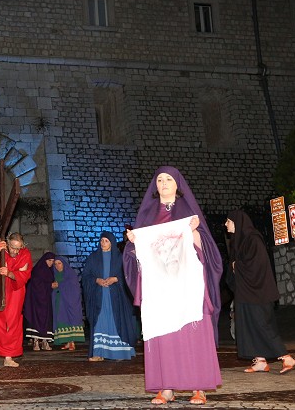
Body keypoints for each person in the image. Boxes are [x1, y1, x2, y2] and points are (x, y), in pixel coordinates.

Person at [123, 166, 222, 405]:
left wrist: (193, 233)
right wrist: (133, 243)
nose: (164, 183)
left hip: (187, 285)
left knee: (193, 334)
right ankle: (166, 388)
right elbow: (135, 253)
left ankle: (199, 387)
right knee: (164, 335)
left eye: (168, 179)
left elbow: (206, 247)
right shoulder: (147, 215)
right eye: (160, 180)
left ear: (178, 184)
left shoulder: (189, 212)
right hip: (160, 288)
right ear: (155, 186)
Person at [225, 209, 295, 374]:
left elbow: (257, 265)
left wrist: (238, 266)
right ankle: (260, 361)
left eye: (228, 221)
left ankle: (287, 358)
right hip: (245, 292)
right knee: (249, 326)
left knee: (263, 325)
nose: (225, 224)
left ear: (237, 222)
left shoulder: (253, 239)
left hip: (258, 292)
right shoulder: (238, 241)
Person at [0, 232, 32, 369]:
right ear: (8, 243)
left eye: (18, 248)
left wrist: (9, 273)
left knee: (12, 323)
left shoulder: (25, 253)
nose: (15, 251)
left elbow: (24, 274)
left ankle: (8, 357)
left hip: (15, 292)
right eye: (13, 247)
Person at [83, 231, 137, 362]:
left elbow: (129, 274)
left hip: (116, 297)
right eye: (101, 241)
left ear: (112, 243)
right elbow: (86, 276)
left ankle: (120, 352)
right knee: (100, 322)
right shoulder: (93, 258)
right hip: (99, 297)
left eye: (106, 241)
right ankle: (98, 353)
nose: (103, 243)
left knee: (115, 321)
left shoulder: (120, 258)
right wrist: (97, 280)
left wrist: (116, 279)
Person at [51, 255, 85, 351]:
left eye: (59, 263)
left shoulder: (70, 274)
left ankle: (72, 342)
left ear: (64, 264)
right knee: (61, 320)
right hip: (59, 302)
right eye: (55, 264)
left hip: (69, 302)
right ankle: (67, 342)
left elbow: (74, 287)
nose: (57, 266)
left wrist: (59, 285)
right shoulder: (54, 274)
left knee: (70, 319)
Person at [23, 252, 55, 351]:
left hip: (46, 300)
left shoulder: (50, 271)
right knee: (36, 319)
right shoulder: (37, 270)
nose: (51, 263)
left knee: (46, 319)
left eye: (52, 261)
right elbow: (35, 284)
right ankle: (36, 341)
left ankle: (45, 342)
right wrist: (49, 285)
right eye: (49, 260)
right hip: (36, 301)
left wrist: (51, 286)